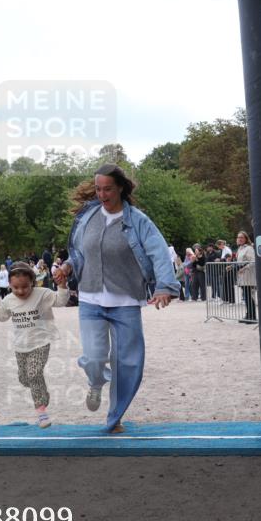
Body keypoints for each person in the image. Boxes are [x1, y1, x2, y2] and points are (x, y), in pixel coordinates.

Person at [53, 164, 179, 433]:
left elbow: (158, 251)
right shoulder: (87, 217)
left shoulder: (138, 220)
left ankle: (115, 417)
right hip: (90, 299)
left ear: (120, 187)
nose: (102, 194)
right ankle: (96, 382)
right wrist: (67, 267)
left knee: (128, 363)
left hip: (125, 302)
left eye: (107, 188)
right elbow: (78, 251)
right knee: (93, 357)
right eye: (98, 189)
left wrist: (165, 286)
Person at [0, 262, 70, 427]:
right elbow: (2, 316)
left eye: (25, 287)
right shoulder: (9, 300)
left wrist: (62, 285)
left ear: (32, 281)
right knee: (25, 379)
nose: (20, 291)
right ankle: (41, 391)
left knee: (33, 374)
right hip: (20, 346)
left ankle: (41, 412)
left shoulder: (42, 294)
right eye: (15, 287)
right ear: (9, 285)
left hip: (40, 342)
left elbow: (61, 301)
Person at [235, 232, 257, 322]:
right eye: (238, 237)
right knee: (246, 296)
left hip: (248, 275)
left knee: (249, 296)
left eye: (242, 237)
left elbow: (253, 261)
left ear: (246, 238)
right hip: (242, 275)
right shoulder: (240, 249)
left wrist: (244, 268)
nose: (239, 239)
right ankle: (248, 315)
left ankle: (252, 316)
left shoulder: (249, 248)